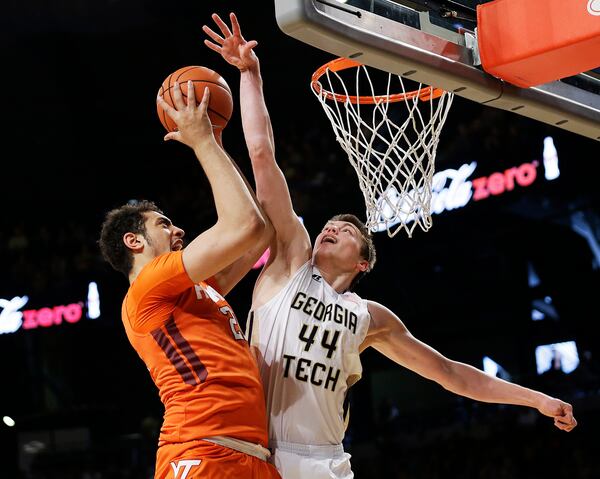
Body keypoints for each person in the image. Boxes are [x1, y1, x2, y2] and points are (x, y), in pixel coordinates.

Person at [203, 12, 578, 479]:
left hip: (326, 461)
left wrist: (535, 397)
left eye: (347, 230)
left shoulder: (371, 318)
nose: (331, 228)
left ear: (363, 262)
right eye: (330, 225)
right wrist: (250, 73)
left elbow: (452, 374)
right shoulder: (290, 261)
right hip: (259, 452)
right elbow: (262, 156)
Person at [98, 81, 280, 478]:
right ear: (134, 241)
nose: (178, 230)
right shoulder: (148, 285)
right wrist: (202, 143)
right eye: (163, 224)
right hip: (199, 453)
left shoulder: (197, 289)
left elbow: (261, 231)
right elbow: (245, 226)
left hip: (251, 455)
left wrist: (213, 138)